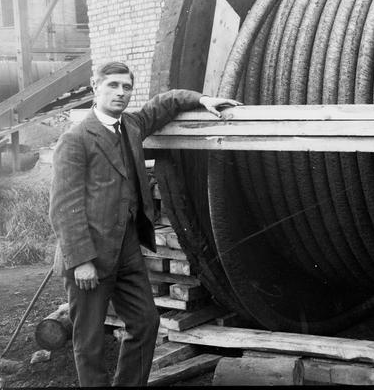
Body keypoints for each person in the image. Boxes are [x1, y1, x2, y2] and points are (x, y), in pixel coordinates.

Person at [49, 61, 240, 386]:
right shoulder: (76, 139)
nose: (120, 93)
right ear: (96, 88)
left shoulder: (132, 126)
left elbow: (165, 103)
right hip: (89, 256)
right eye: (113, 86)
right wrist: (82, 262)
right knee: (90, 342)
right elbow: (64, 206)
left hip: (126, 251)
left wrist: (202, 100)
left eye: (126, 87)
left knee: (146, 323)